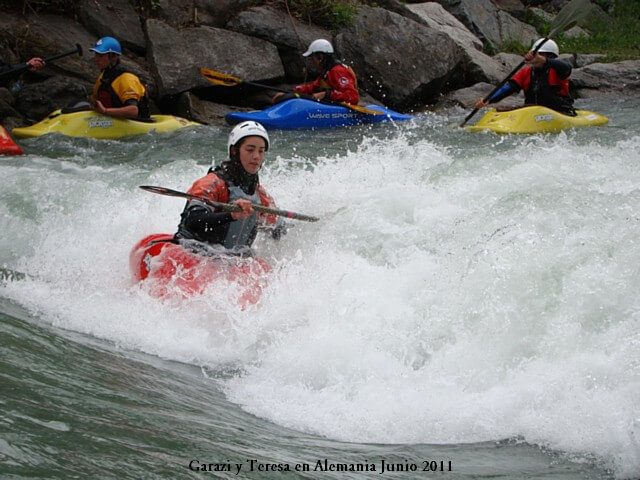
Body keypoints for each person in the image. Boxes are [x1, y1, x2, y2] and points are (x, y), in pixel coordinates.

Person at [174, 121, 285, 257]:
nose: (256, 156)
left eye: (261, 151)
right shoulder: (211, 183)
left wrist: (277, 226)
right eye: (250, 150)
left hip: (231, 261)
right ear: (234, 151)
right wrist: (231, 215)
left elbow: (276, 229)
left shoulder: (260, 195)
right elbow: (193, 221)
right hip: (194, 254)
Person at [474, 38, 575, 115]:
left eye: (540, 54)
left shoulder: (558, 70)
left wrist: (544, 60)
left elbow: (567, 68)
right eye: (535, 54)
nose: (535, 58)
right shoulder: (526, 72)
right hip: (532, 113)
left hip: (560, 112)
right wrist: (488, 100)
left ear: (550, 56)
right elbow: (507, 88)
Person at [273, 38, 359, 105]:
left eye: (312, 58)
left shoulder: (338, 71)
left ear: (320, 57)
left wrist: (326, 94)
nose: (311, 61)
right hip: (332, 105)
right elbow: (312, 87)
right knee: (289, 97)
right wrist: (289, 92)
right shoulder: (326, 72)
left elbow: (353, 97)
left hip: (342, 109)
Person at [89, 36, 149, 119]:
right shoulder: (103, 76)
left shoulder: (127, 78)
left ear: (113, 56)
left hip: (136, 124)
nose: (96, 59)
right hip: (113, 121)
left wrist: (105, 111)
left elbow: (133, 111)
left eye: (101, 55)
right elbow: (95, 100)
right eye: (96, 55)